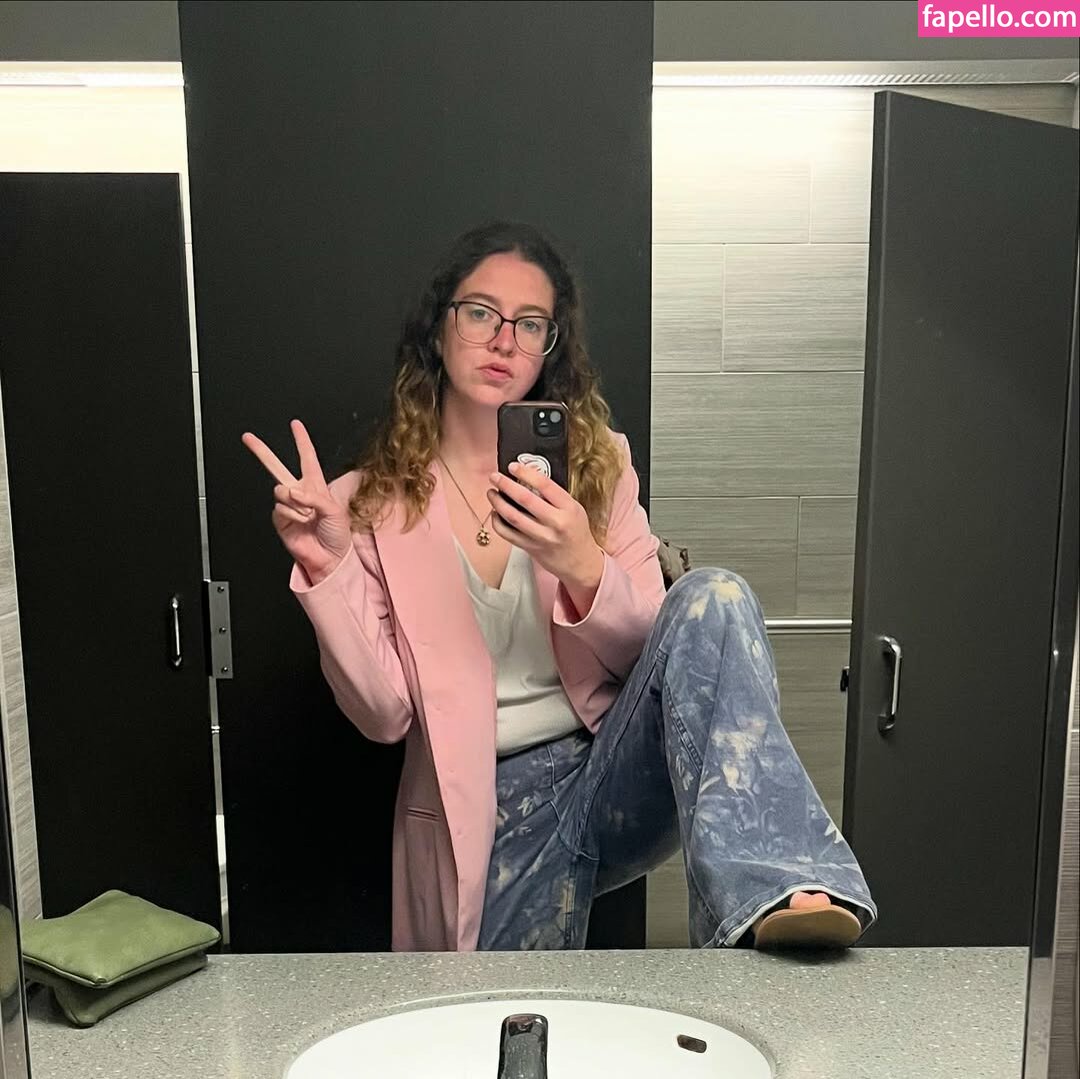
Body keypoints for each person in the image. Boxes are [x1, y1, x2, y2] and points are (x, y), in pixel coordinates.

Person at [242, 221, 877, 953]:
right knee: (511, 1014)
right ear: (439, 329)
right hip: (486, 803)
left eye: (530, 323)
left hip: (609, 763)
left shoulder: (599, 468)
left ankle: (777, 885)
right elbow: (385, 715)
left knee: (715, 594)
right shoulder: (367, 504)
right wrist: (328, 567)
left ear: (551, 345)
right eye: (481, 313)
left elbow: (660, 653)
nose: (503, 340)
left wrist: (583, 565)